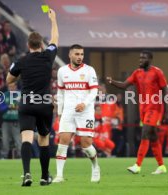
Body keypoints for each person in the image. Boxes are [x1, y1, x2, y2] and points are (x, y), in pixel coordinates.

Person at [6, 9, 58, 186]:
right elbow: (55, 39)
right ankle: (44, 177)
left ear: (28, 45)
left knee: (27, 138)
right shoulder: (47, 56)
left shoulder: (21, 61)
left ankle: (27, 174)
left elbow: (9, 80)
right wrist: (53, 20)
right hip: (44, 104)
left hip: (27, 103)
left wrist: (20, 75)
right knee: (44, 139)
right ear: (41, 45)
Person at [107, 50, 168, 174]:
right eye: (140, 58)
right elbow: (125, 85)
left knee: (145, 132)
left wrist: (166, 111)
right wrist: (112, 82)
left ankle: (137, 165)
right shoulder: (137, 73)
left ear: (150, 59)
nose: (140, 60)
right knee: (152, 136)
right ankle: (161, 166)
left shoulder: (157, 72)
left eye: (143, 58)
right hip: (143, 108)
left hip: (155, 107)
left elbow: (165, 91)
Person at [53, 44, 100, 183]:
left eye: (81, 54)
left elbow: (94, 91)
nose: (80, 57)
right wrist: (60, 112)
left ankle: (95, 166)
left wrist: (84, 104)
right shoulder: (62, 71)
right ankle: (59, 175)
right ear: (70, 55)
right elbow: (60, 92)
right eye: (77, 54)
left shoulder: (89, 70)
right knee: (63, 142)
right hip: (68, 111)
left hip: (85, 112)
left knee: (86, 145)